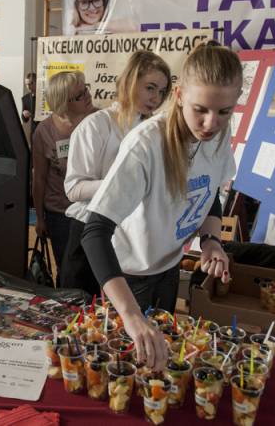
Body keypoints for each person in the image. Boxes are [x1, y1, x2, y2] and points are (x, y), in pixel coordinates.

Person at [81, 44, 240, 370]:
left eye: (224, 112)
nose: (211, 123)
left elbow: (210, 193)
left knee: (159, 369)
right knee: (125, 371)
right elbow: (94, 233)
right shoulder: (147, 144)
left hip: (168, 268)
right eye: (200, 109)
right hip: (128, 278)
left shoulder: (219, 135)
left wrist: (211, 241)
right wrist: (130, 315)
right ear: (179, 95)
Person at [61, 50, 171, 294]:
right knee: (80, 307)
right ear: (130, 82)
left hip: (131, 236)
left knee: (118, 311)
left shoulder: (155, 130)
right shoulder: (95, 125)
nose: (156, 98)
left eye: (162, 91)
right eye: (150, 88)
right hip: (89, 229)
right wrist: (120, 183)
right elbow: (74, 188)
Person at [32, 71, 95, 274]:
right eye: (79, 95)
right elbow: (39, 178)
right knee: (68, 270)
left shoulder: (100, 120)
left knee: (95, 270)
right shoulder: (44, 131)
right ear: (62, 103)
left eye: (86, 89)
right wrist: (39, 218)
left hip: (95, 210)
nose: (87, 96)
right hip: (61, 214)